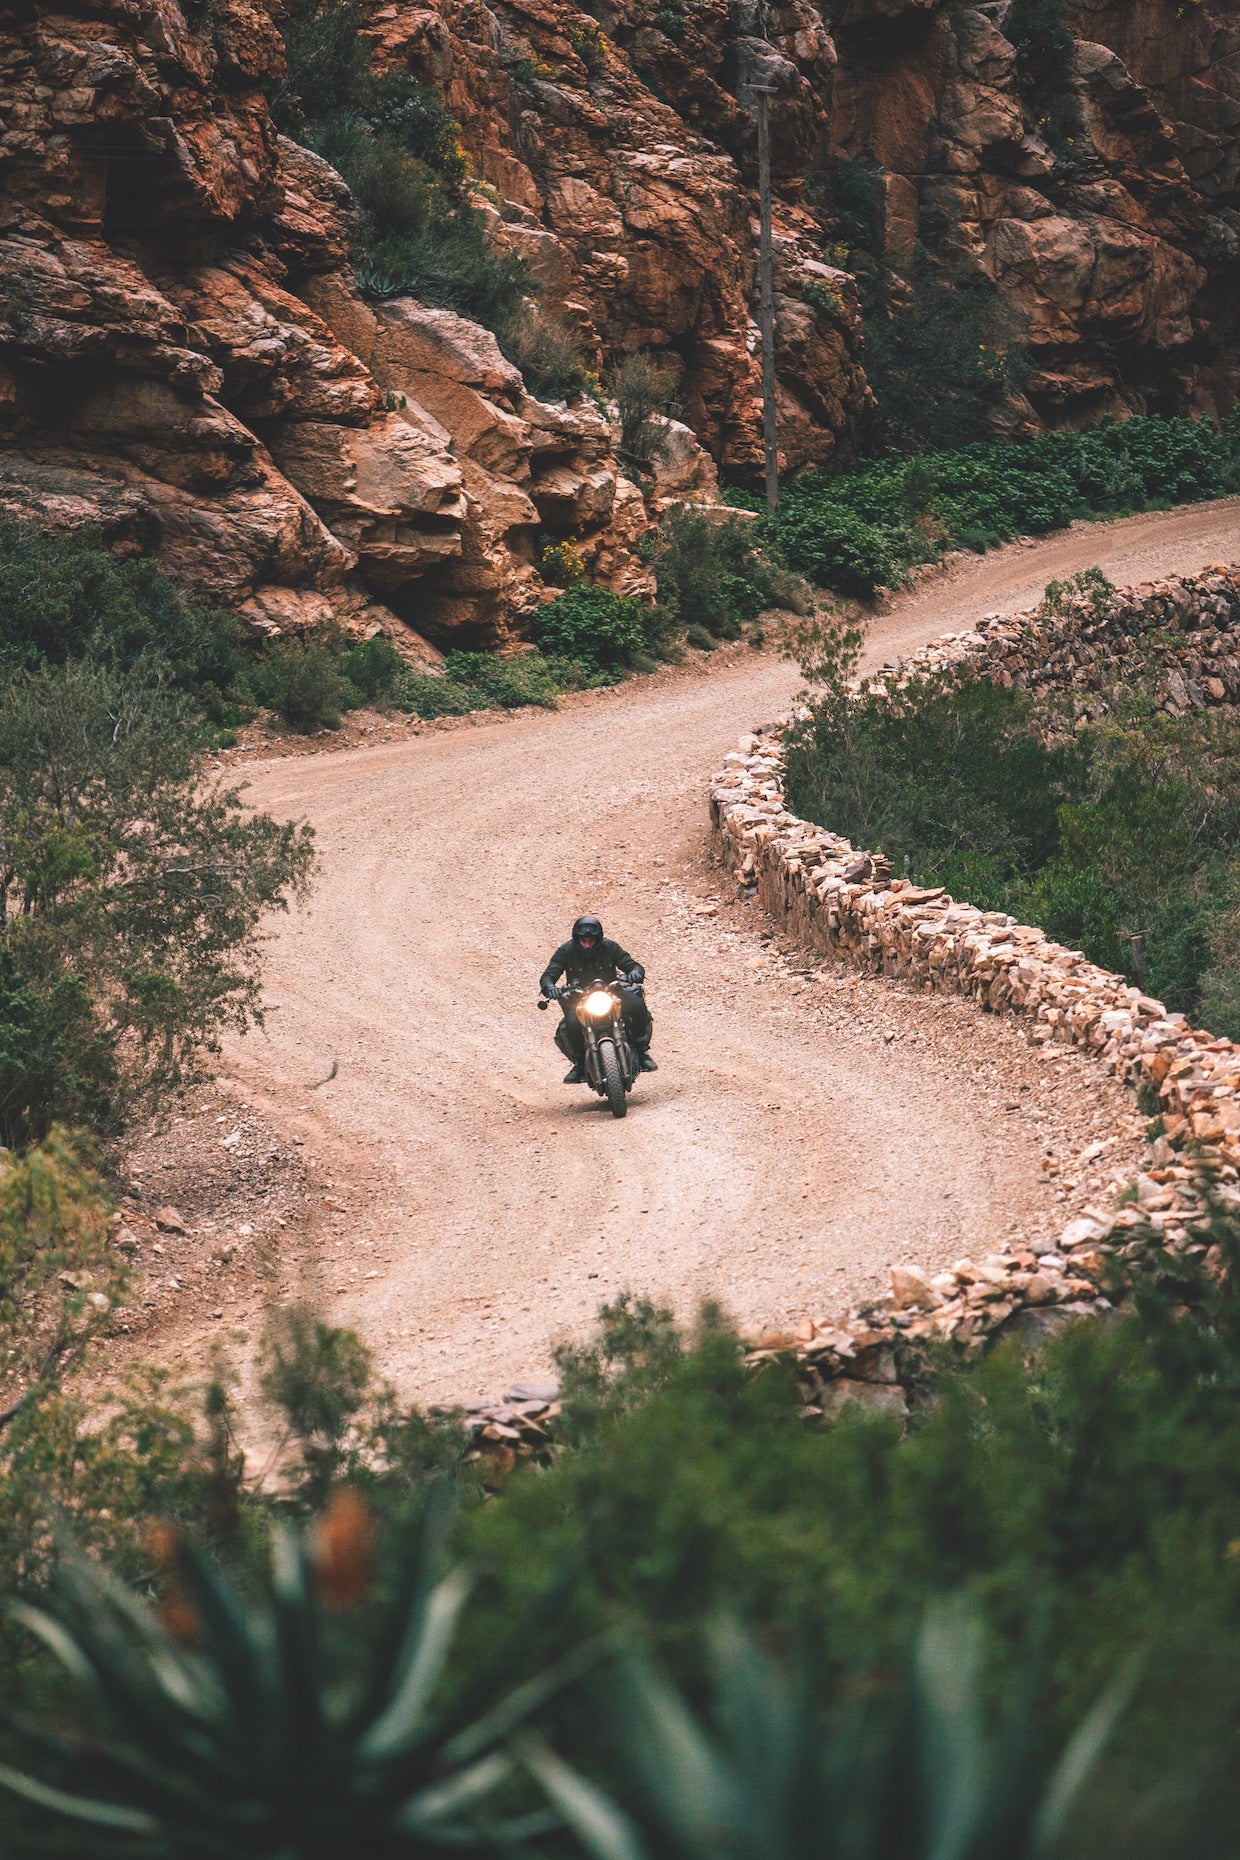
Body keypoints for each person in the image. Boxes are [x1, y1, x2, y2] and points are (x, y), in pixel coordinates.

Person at [539, 915, 656, 1084]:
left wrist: (635, 973)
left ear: (598, 939)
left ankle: (641, 1050)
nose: (587, 945)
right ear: (576, 938)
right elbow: (549, 974)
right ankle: (580, 1063)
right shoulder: (566, 951)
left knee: (637, 1006)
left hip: (611, 991)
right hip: (578, 997)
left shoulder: (609, 947)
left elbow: (631, 964)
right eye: (583, 941)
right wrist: (550, 987)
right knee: (571, 1024)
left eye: (591, 941)